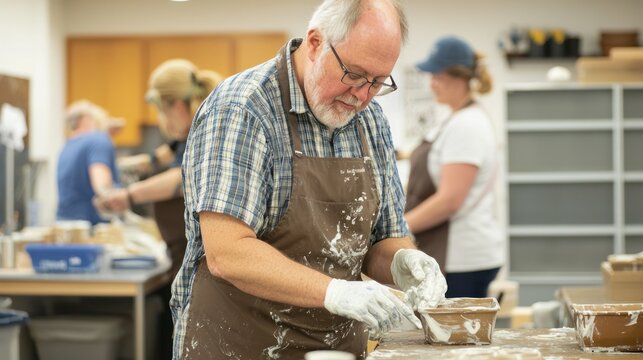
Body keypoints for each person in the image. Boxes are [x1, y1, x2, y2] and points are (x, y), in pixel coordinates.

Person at [172, 1, 448, 359]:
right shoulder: (243, 108)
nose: (362, 96)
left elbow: (383, 239)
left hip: (336, 350)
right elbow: (227, 252)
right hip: (240, 344)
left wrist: (403, 262)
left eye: (378, 82)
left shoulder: (371, 121)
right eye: (354, 74)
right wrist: (335, 292)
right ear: (315, 43)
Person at [95, 59, 222, 360]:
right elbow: (167, 153)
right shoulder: (187, 132)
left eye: (161, 111)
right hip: (182, 259)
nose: (161, 119)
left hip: (204, 267)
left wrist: (129, 195)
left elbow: (183, 175)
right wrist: (139, 164)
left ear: (177, 104)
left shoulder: (208, 128)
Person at [404, 35, 505, 299]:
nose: (432, 83)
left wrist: (400, 228)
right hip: (454, 253)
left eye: (437, 76)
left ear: (458, 78)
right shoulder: (456, 119)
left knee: (456, 335)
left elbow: (450, 200)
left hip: (463, 260)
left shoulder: (467, 125)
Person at [56, 100, 121, 225]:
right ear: (85, 120)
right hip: (93, 229)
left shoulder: (67, 147)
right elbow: (102, 188)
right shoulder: (98, 139)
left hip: (66, 227)